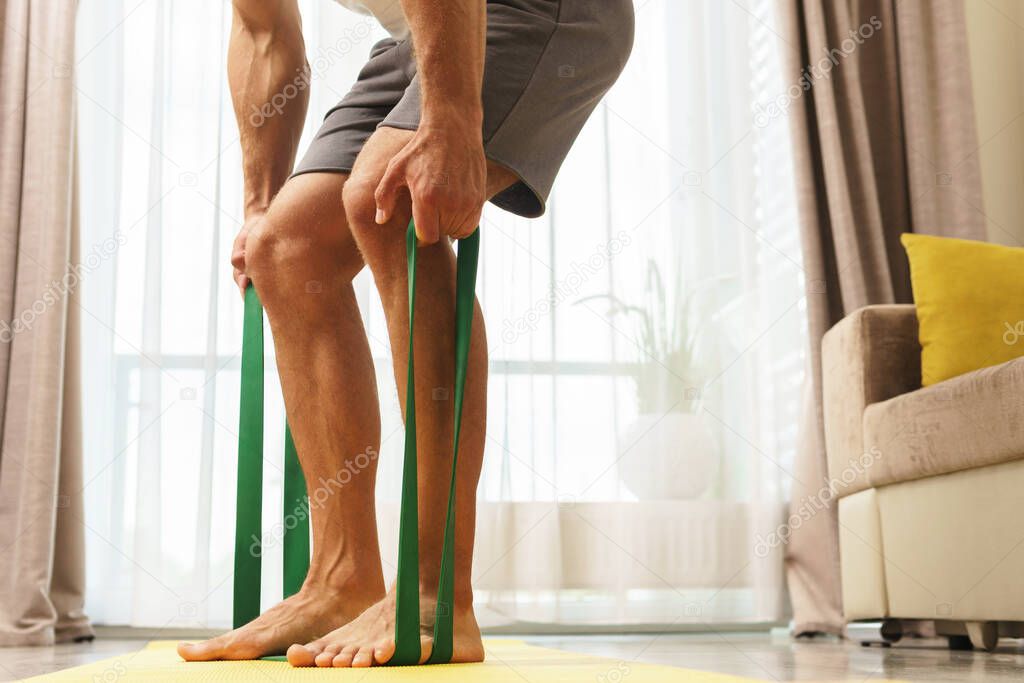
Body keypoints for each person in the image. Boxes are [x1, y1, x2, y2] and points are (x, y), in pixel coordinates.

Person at [178, 0, 633, 668]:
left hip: (544, 10)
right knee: (287, 249)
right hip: (421, 32)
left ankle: (435, 591)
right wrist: (258, 203)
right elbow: (262, 29)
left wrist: (451, 120)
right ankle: (340, 579)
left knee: (384, 200)